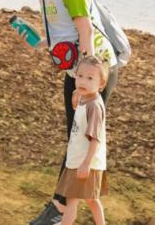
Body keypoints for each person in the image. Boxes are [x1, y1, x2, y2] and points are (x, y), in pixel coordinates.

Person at [21, 0, 120, 225]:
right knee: (76, 136)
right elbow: (64, 30)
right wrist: (42, 42)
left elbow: (85, 30)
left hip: (94, 71)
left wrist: (86, 83)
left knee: (82, 136)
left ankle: (60, 206)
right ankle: (67, 204)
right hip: (79, 72)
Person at [56, 56, 109, 225]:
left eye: (90, 78)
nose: (83, 81)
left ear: (101, 84)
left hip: (85, 162)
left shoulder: (94, 106)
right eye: (80, 76)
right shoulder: (85, 98)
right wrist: (77, 95)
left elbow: (95, 139)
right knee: (91, 199)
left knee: (73, 200)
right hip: (78, 160)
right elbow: (79, 114)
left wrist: (86, 163)